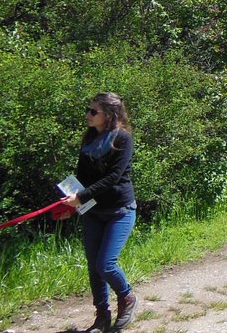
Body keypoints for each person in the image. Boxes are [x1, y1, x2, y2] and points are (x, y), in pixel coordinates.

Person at [61, 92, 139, 333]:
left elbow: (113, 177)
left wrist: (81, 197)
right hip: (93, 211)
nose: (88, 115)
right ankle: (102, 317)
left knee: (105, 264)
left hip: (120, 210)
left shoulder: (123, 139)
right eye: (88, 109)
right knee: (94, 265)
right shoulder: (89, 139)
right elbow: (81, 177)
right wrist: (70, 206)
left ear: (109, 114)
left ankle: (127, 298)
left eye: (93, 111)